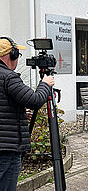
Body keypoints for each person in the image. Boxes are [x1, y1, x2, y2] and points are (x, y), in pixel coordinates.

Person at [0, 37, 54, 190]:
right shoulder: (9, 77)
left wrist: (19, 112)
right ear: (11, 55)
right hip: (7, 149)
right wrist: (45, 84)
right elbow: (35, 100)